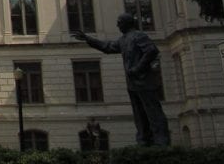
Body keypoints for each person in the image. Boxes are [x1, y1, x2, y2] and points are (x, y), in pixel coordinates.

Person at [73, 13, 170, 146]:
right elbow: (107, 47)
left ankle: (161, 141)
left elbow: (152, 51)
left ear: (127, 23)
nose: (117, 25)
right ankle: (143, 140)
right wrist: (88, 39)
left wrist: (138, 68)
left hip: (144, 81)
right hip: (133, 83)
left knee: (153, 112)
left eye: (119, 22)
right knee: (139, 114)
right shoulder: (124, 40)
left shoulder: (139, 36)